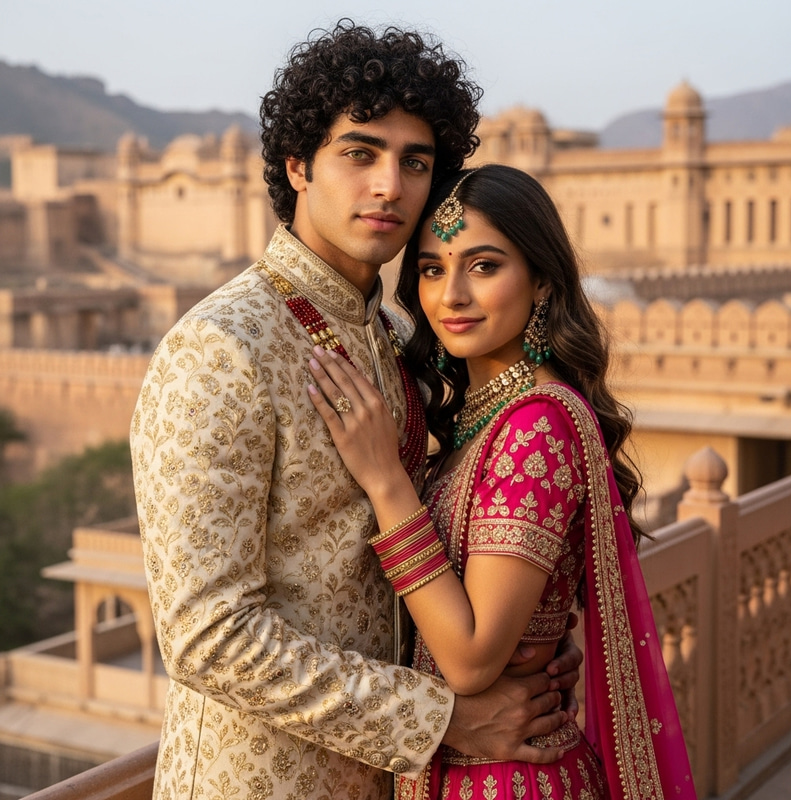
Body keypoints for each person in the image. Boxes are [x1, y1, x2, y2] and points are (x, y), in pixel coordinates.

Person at [130, 23, 582, 800]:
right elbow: (207, 636)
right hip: (263, 782)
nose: (389, 186)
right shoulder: (220, 348)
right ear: (298, 165)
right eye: (360, 153)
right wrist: (442, 717)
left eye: (416, 162)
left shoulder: (403, 334)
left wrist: (522, 642)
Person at [307, 164, 698, 799]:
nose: (451, 295)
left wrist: (386, 483)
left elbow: (470, 657)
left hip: (506, 778)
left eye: (484, 266)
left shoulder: (535, 427)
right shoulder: (483, 417)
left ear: (541, 279)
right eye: (432, 269)